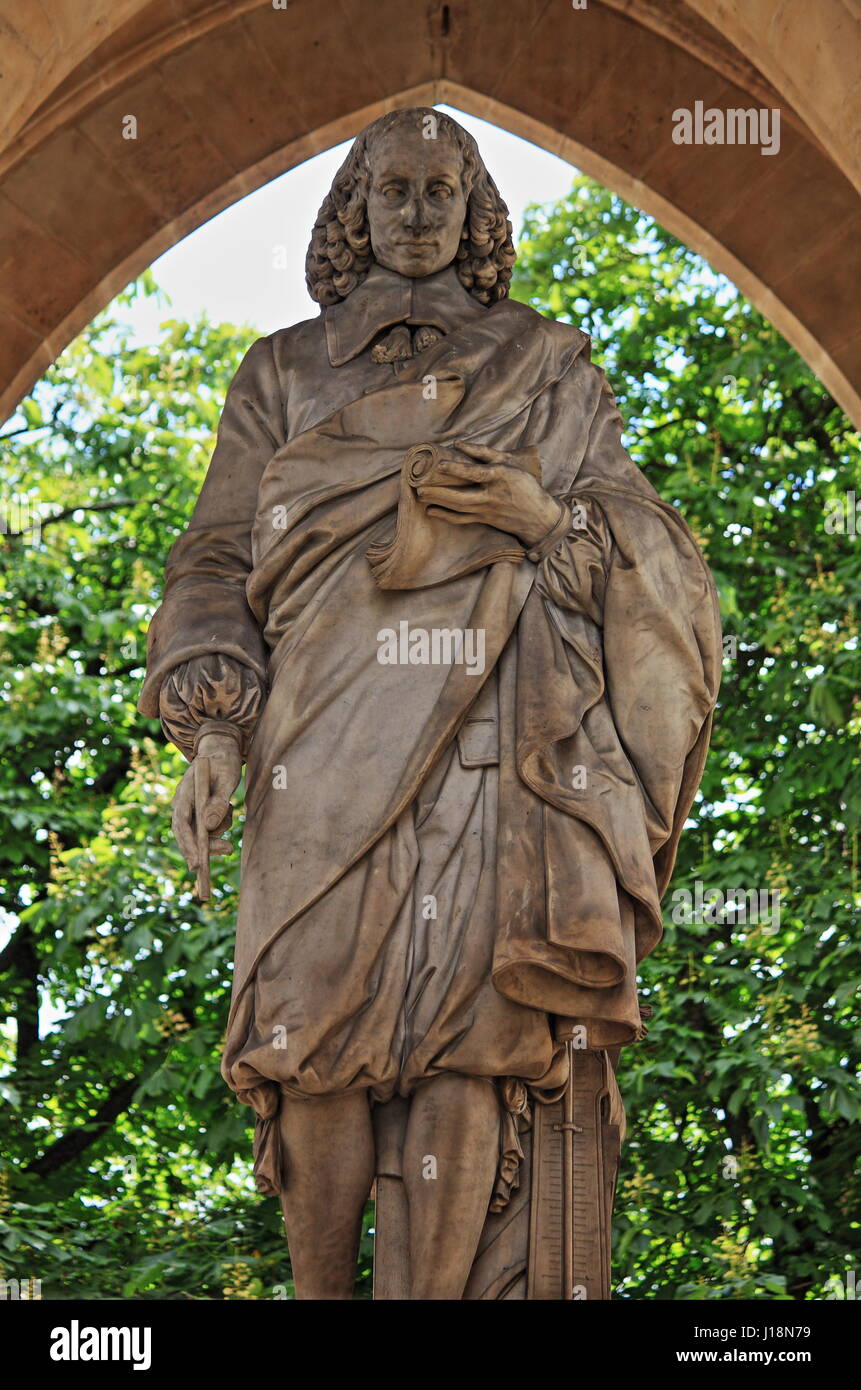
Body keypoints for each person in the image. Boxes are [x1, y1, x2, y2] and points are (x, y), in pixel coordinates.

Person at [139, 107, 721, 1299]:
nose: (414, 213)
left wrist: (539, 515)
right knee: (312, 1037)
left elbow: (645, 545)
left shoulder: (547, 367)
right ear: (353, 209)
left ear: (475, 211)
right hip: (315, 740)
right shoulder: (283, 371)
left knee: (470, 1029)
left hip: (493, 735)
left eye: (438, 191)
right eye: (391, 190)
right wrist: (214, 727)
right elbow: (211, 559)